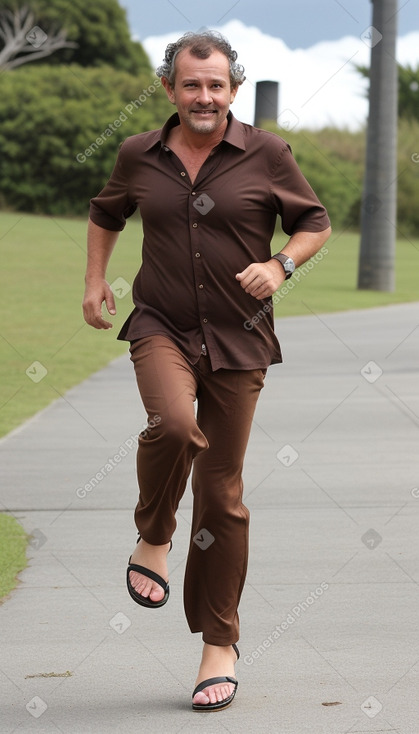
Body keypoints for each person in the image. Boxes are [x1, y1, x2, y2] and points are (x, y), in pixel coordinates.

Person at [82, 30, 331, 712]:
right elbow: (107, 213)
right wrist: (95, 280)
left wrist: (280, 265)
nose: (203, 96)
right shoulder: (139, 154)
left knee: (221, 499)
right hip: (161, 323)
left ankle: (218, 645)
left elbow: (314, 223)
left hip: (240, 339)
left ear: (233, 89)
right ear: (169, 89)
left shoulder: (267, 153)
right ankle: (154, 533)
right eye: (191, 84)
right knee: (171, 426)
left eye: (215, 84)